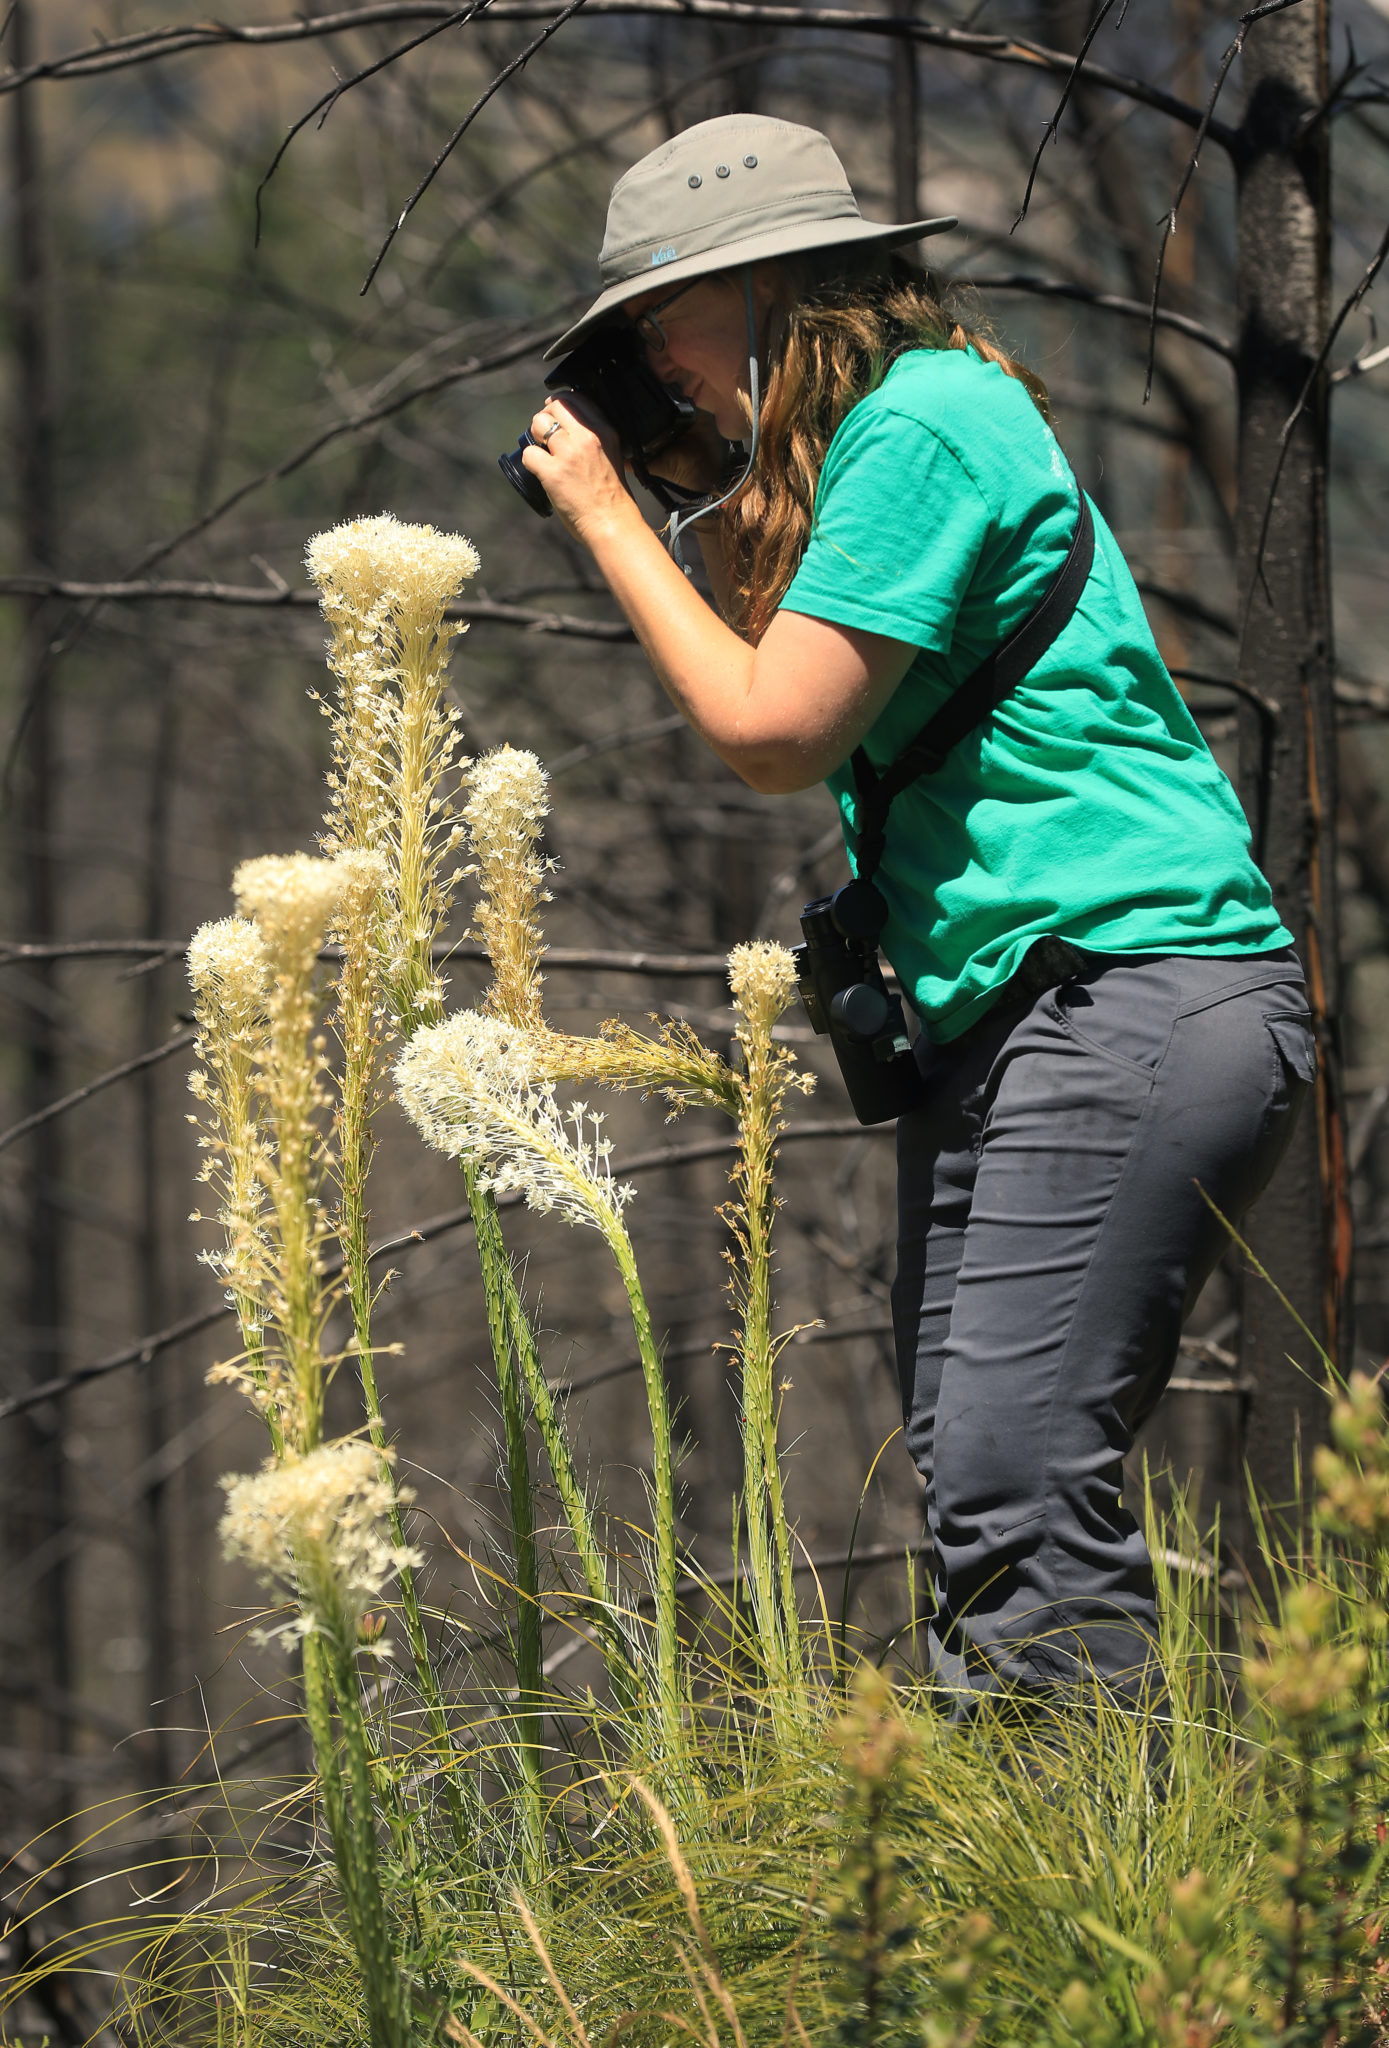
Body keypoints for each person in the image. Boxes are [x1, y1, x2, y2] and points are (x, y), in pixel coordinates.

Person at [519, 112, 1314, 1711]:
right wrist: (716, 503)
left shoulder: (927, 421)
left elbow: (769, 730)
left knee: (1015, 1491)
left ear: (765, 292)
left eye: (659, 332)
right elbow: (791, 678)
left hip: (1123, 988)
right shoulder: (887, 447)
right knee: (974, 1495)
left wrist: (613, 512)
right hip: (1021, 1022)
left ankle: (1115, 1936)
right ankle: (1025, 1898)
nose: (660, 375)